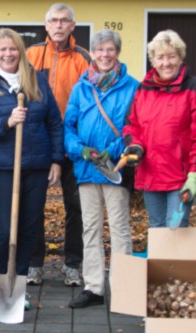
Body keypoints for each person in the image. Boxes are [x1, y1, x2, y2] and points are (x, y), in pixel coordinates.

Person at [0, 28, 63, 312]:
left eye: (13, 49)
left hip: (36, 166)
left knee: (29, 228)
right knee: (6, 229)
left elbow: (54, 123)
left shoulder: (36, 80)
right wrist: (7, 122)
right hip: (2, 167)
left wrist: (56, 159)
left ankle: (16, 285)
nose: (8, 54)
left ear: (20, 52)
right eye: (2, 50)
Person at [63, 29, 139, 308]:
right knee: (90, 228)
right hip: (85, 169)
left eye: (110, 49)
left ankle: (123, 288)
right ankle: (94, 287)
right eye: (100, 50)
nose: (105, 55)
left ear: (117, 52)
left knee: (119, 228)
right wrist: (79, 150)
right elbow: (68, 126)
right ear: (92, 53)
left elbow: (136, 127)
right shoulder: (81, 88)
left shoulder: (133, 86)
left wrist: (116, 149)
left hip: (115, 168)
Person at [26, 2, 90, 286]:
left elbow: (90, 103)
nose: (59, 25)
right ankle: (34, 263)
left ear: (73, 26)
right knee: (34, 204)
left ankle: (73, 263)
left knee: (75, 205)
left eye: (65, 21)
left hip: (73, 144)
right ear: (46, 24)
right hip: (39, 143)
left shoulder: (83, 58)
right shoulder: (32, 55)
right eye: (55, 20)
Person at [122, 29, 196, 228]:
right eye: (160, 57)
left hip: (181, 178)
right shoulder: (143, 89)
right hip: (150, 175)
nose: (166, 63)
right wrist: (135, 146)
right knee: (157, 229)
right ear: (153, 61)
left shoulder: (195, 87)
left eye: (172, 56)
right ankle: (160, 261)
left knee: (176, 228)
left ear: (180, 57)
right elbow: (131, 125)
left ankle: (176, 261)